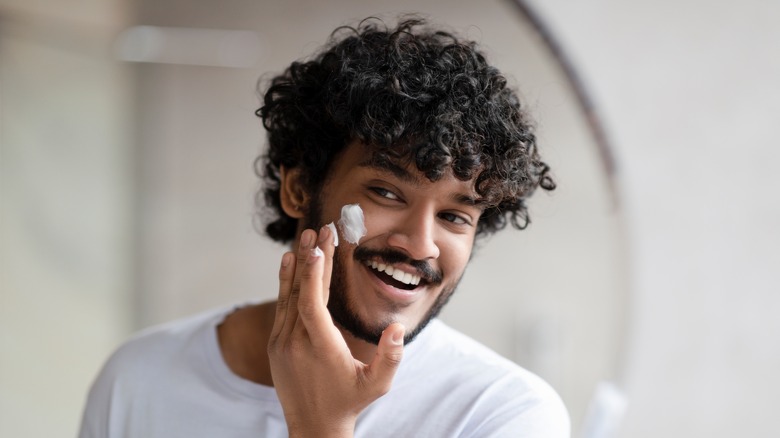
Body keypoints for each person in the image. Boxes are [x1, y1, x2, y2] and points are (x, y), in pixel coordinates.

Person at [79, 16, 569, 438]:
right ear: (299, 188)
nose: (420, 245)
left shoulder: (504, 415)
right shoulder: (140, 378)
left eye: (454, 217)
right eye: (387, 193)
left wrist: (322, 427)